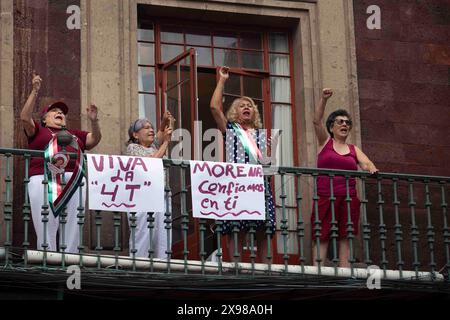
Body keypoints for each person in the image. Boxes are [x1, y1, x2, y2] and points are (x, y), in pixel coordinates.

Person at [20, 71, 102, 253]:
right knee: (46, 219)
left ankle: (70, 255)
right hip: (43, 177)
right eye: (54, 111)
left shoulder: (75, 134)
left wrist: (95, 122)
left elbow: (93, 140)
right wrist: (34, 91)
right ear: (44, 119)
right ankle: (48, 254)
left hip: (75, 179)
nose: (59, 113)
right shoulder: (39, 131)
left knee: (74, 220)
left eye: (62, 112)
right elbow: (25, 118)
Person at [210, 66, 276, 263]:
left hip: (259, 185)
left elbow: (268, 167)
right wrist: (222, 80)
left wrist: (269, 155)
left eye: (249, 105)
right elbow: (214, 107)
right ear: (235, 113)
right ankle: (236, 268)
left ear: (254, 112)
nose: (246, 107)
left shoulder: (262, 135)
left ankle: (267, 271)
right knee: (236, 229)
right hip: (238, 185)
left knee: (264, 229)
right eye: (241, 105)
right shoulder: (231, 129)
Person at [312, 88, 378, 268]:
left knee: (346, 235)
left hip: (348, 197)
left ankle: (344, 270)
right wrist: (324, 99)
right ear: (331, 126)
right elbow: (316, 121)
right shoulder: (325, 142)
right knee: (322, 233)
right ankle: (317, 271)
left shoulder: (353, 149)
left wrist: (371, 168)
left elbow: (367, 163)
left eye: (347, 123)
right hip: (325, 195)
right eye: (340, 121)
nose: (344, 125)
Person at [126, 113, 174, 258]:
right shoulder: (133, 148)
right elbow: (150, 163)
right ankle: (139, 264)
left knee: (163, 234)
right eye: (145, 128)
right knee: (143, 232)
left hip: (161, 195)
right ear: (135, 134)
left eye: (151, 127)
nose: (150, 130)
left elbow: (159, 133)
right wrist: (166, 142)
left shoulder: (154, 146)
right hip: (142, 195)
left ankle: (163, 265)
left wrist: (164, 120)